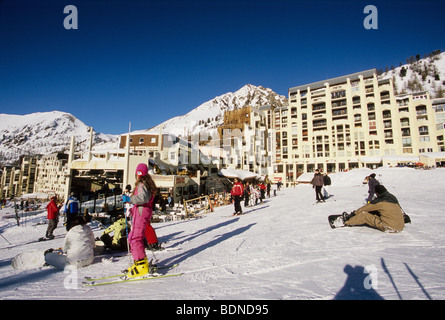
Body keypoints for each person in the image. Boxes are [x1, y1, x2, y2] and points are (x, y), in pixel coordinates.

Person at [126, 163, 157, 278]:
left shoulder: (141, 184)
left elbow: (142, 198)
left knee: (136, 237)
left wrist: (130, 199)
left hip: (141, 211)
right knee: (132, 236)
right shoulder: (147, 184)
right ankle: (138, 262)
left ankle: (141, 265)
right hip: (142, 211)